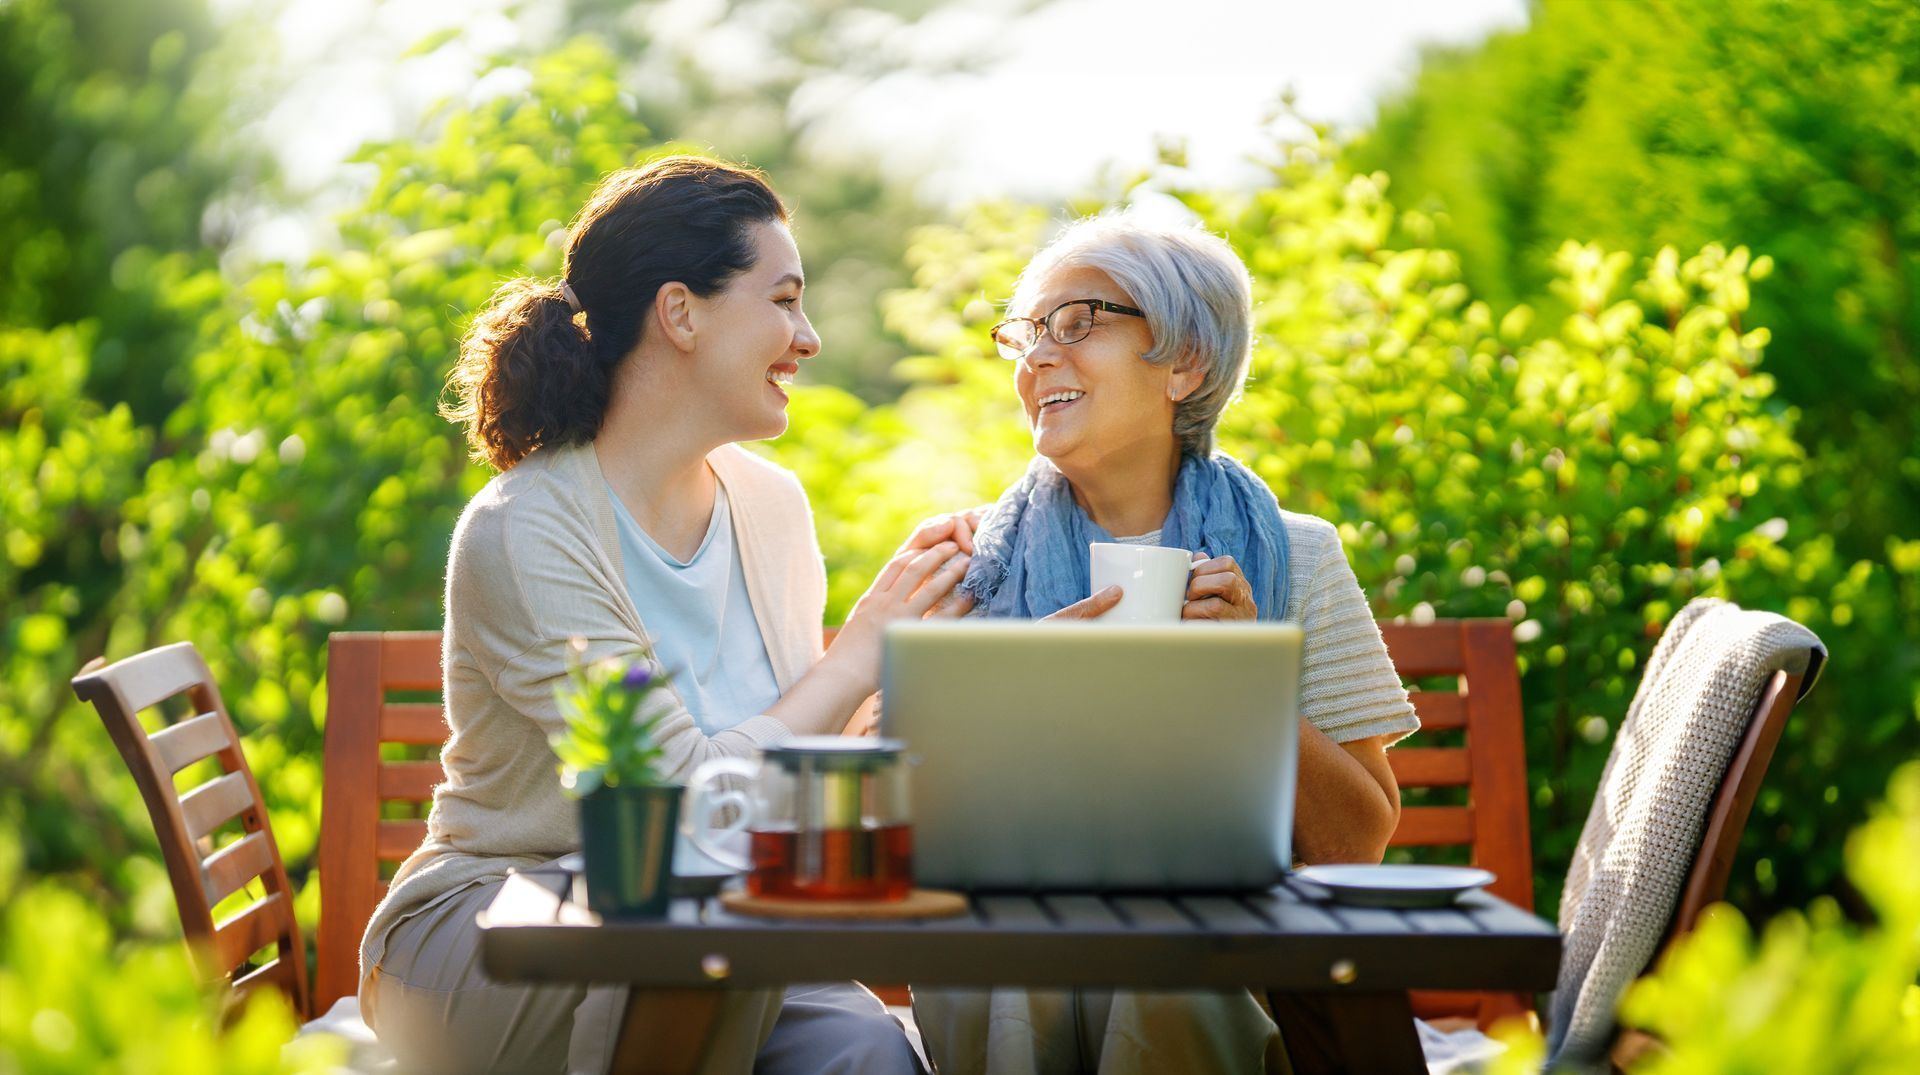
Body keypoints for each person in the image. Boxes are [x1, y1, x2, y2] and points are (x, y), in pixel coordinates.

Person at [359, 156, 965, 1074]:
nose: (807, 337)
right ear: (680, 313)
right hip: (499, 923)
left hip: (729, 935)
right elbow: (679, 807)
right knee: (704, 958)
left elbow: (796, 771)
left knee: (867, 1051)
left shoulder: (772, 505)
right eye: (783, 300)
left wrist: (943, 673)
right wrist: (858, 655)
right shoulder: (527, 528)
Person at [910, 211, 1421, 1073]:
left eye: (1077, 323)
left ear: (1185, 362)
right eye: (1026, 333)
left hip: (1223, 957)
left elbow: (1358, 841)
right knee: (1030, 953)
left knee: (1166, 962)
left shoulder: (1295, 555)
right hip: (1018, 945)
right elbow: (889, 825)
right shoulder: (967, 569)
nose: (1037, 357)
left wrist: (1241, 682)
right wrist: (1005, 697)